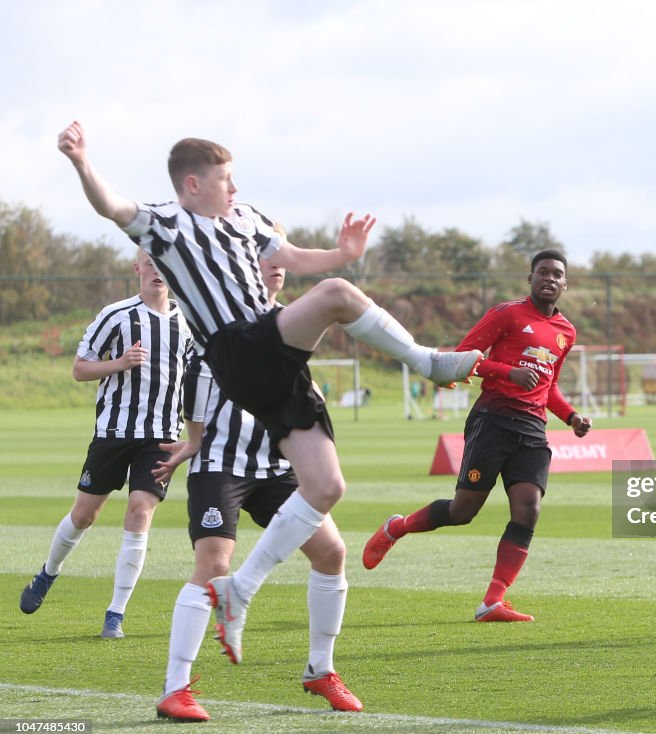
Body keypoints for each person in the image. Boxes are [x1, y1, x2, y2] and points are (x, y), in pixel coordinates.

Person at [57, 121, 482, 670]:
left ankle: (246, 592)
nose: (233, 188)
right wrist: (82, 162)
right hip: (237, 347)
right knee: (335, 296)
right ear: (192, 185)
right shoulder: (165, 223)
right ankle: (428, 362)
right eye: (224, 179)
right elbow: (110, 206)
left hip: (274, 359)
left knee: (327, 486)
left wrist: (343, 250)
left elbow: (298, 258)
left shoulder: (248, 217)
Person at [154, 258, 359, 722]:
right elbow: (195, 389)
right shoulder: (221, 327)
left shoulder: (293, 322)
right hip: (221, 465)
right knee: (213, 564)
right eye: (266, 262)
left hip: (277, 465)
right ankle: (176, 688)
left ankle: (320, 670)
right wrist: (193, 443)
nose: (277, 270)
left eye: (282, 263)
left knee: (331, 553)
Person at [362, 249, 592, 622]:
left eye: (557, 274)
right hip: (494, 419)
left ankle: (492, 601)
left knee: (528, 509)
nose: (549, 279)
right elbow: (463, 356)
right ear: (530, 279)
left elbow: (548, 385)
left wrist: (571, 416)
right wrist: (507, 372)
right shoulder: (508, 314)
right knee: (462, 511)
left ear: (565, 284)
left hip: (533, 429)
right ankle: (397, 527)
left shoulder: (567, 332)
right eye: (543, 272)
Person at [19, 250, 192, 638]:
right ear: (137, 269)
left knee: (139, 512)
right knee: (84, 515)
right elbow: (79, 368)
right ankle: (48, 573)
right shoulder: (116, 315)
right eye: (149, 263)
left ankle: (115, 613)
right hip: (113, 434)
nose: (157, 272)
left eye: (164, 266)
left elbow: (196, 379)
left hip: (161, 438)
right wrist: (120, 363)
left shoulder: (188, 324)